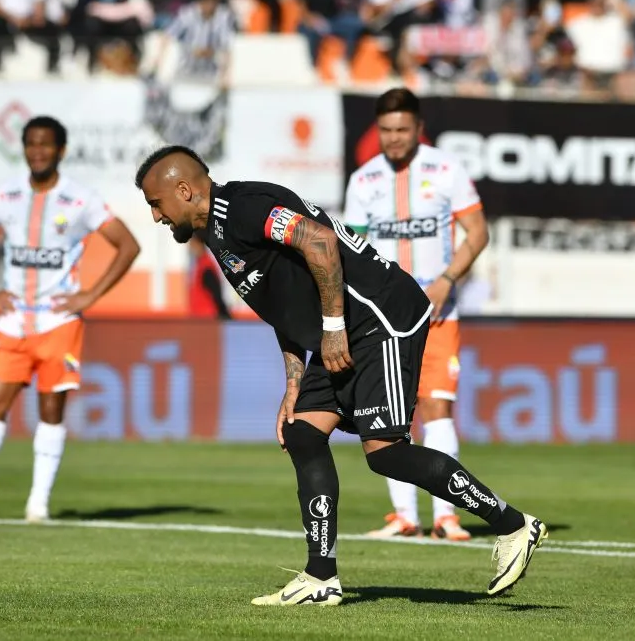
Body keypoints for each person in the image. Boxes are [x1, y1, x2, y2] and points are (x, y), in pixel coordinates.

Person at [135, 144, 546, 606]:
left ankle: (515, 526)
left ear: (185, 190)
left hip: (378, 318)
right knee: (302, 432)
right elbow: (280, 305)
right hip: (342, 328)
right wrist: (293, 382)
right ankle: (321, 577)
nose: (155, 216)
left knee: (385, 452)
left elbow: (321, 242)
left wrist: (332, 330)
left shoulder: (245, 209)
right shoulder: (217, 230)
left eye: (156, 203)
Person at [0, 116, 140, 524]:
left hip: (58, 322)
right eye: (31, 144)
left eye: (45, 145)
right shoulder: (5, 194)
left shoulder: (81, 199)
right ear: (23, 148)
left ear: (61, 150)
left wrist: (91, 294)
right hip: (12, 320)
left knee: (51, 408)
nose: (37, 151)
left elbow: (127, 245)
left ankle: (37, 505)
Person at [343, 87, 489, 542]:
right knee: (389, 415)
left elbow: (478, 233)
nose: (394, 138)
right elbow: (353, 250)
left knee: (436, 407)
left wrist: (447, 278)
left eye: (402, 129)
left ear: (419, 128)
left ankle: (447, 516)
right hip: (382, 319)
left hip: (437, 308)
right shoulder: (363, 180)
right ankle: (405, 517)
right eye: (386, 130)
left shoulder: (446, 169)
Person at [188, 228, 230, 319]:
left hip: (207, 320)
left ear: (198, 243)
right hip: (200, 319)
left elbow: (216, 295)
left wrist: (227, 317)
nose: (189, 246)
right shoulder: (200, 265)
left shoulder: (206, 267)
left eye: (192, 242)